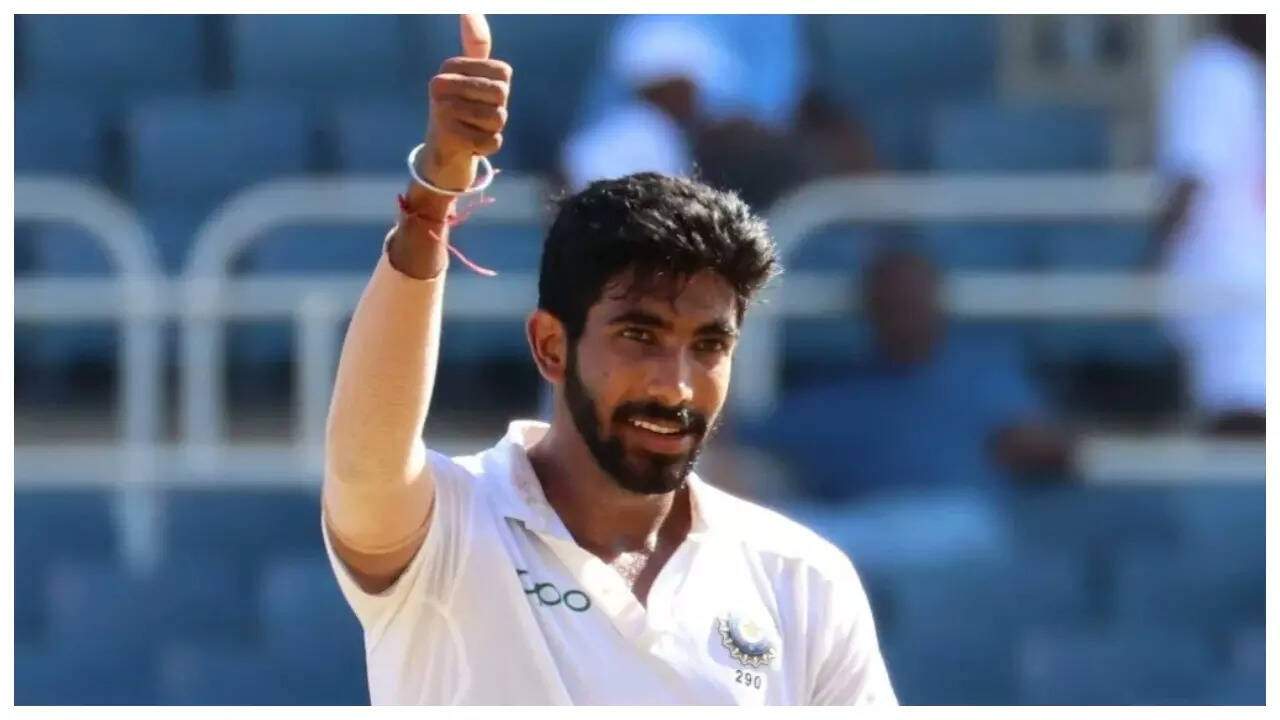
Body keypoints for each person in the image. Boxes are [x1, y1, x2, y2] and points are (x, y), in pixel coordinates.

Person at [322, 15, 896, 706]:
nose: (675, 385)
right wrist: (432, 202)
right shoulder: (449, 530)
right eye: (639, 336)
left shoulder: (803, 581)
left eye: (708, 346)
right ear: (550, 345)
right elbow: (363, 460)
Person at [738, 248, 1074, 500]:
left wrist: (1038, 445)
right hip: (860, 527)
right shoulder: (839, 397)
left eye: (913, 300)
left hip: (958, 521)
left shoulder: (990, 378)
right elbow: (749, 437)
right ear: (870, 310)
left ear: (935, 301)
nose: (903, 314)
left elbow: (1054, 444)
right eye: (890, 303)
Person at [1153, 14, 1265, 436]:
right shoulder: (1215, 71)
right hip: (1227, 284)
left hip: (1247, 282)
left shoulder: (1246, 71)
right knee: (1242, 423)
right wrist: (1150, 263)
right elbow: (1188, 179)